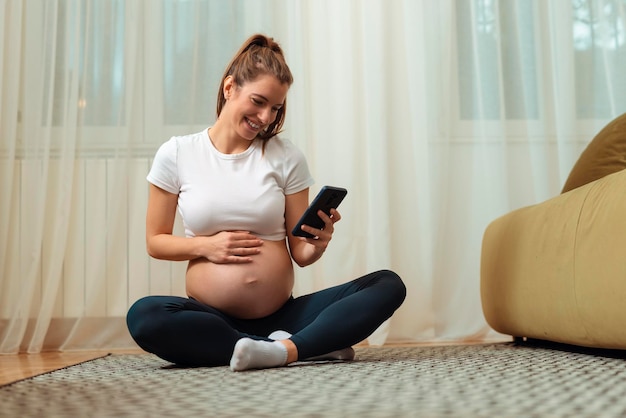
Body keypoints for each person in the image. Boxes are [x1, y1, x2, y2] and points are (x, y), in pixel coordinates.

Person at [126, 34, 406, 371]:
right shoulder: (177, 153)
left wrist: (317, 243)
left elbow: (300, 254)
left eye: (275, 108)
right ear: (230, 88)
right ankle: (300, 345)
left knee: (388, 285)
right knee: (144, 315)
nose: (266, 117)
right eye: (259, 102)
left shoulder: (286, 157)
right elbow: (156, 242)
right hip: (211, 318)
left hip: (285, 314)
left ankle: (280, 349)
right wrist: (207, 247)